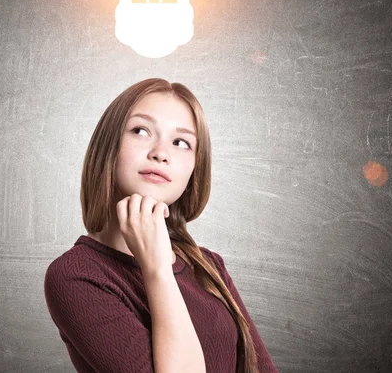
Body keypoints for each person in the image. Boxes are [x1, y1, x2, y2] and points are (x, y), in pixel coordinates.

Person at [44, 78, 278, 373]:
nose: (160, 152)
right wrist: (155, 269)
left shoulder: (208, 266)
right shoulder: (75, 275)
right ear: (109, 147)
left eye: (181, 142)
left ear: (195, 169)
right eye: (140, 131)